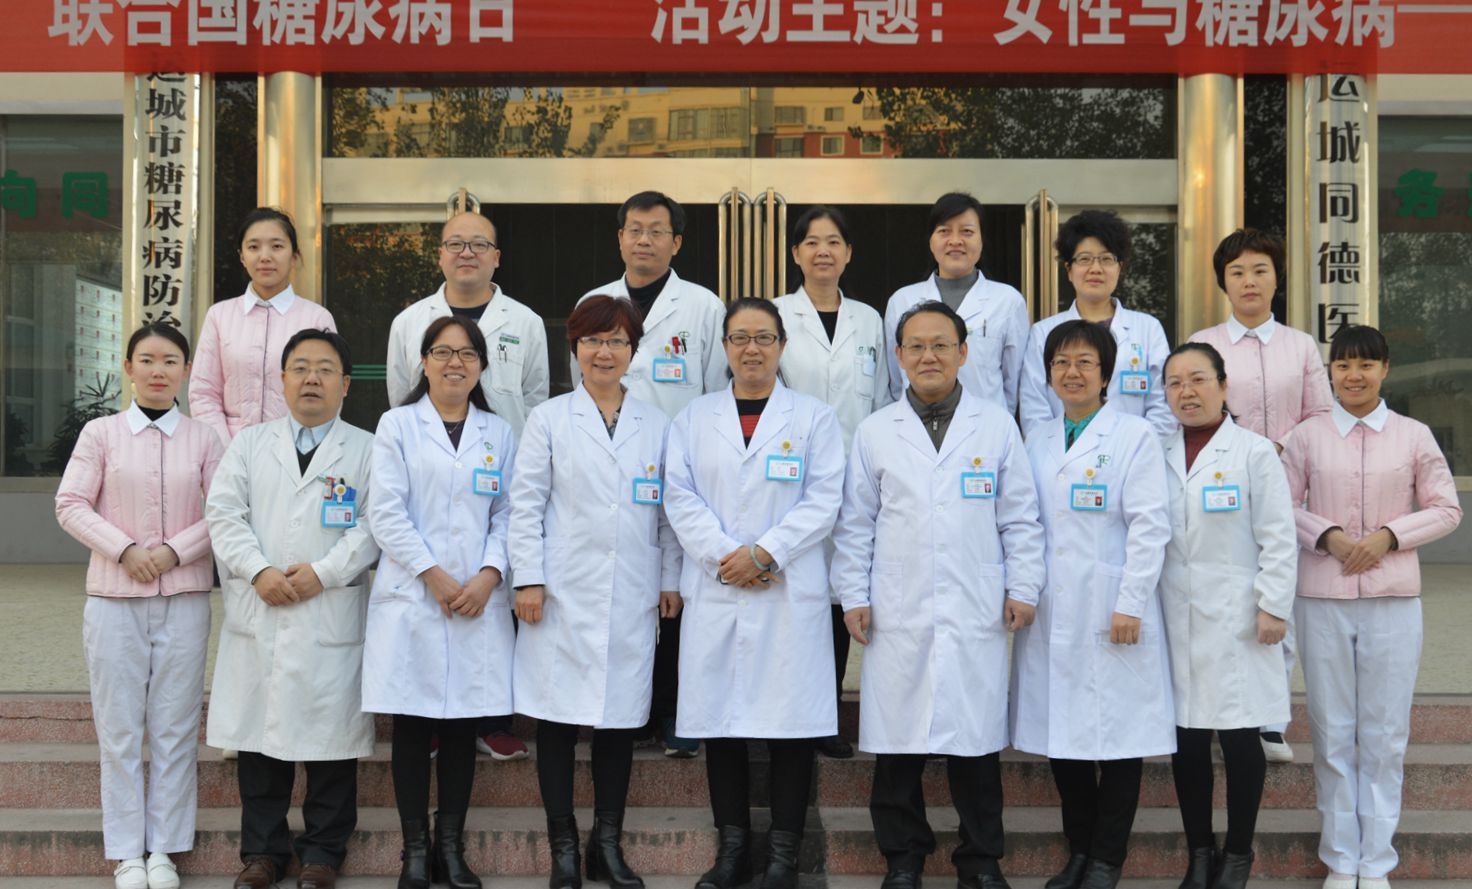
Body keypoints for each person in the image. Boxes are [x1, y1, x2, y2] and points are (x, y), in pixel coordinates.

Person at [831, 301, 1045, 889]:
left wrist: (1023, 586)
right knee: (898, 742)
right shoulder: (877, 431)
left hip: (975, 602)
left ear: (963, 353)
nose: (929, 356)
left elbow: (1020, 518)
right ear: (898, 356)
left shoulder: (996, 426)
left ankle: (980, 860)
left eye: (941, 345)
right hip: (897, 605)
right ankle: (903, 858)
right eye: (917, 347)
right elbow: (855, 524)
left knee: (975, 741)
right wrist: (854, 594)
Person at [664, 298, 846, 889]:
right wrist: (729, 557)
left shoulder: (814, 418)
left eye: (764, 338)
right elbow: (679, 497)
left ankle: (783, 857)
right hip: (718, 585)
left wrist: (765, 553)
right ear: (724, 346)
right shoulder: (694, 418)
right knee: (720, 726)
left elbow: (825, 498)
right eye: (740, 337)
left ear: (782, 346)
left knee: (792, 727)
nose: (752, 349)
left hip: (787, 590)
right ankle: (733, 852)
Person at [509, 295, 683, 889]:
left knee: (619, 722)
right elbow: (525, 506)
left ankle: (606, 844)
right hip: (560, 594)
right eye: (592, 341)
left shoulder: (657, 424)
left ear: (633, 349)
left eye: (616, 341)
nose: (604, 352)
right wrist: (529, 579)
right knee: (557, 720)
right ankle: (563, 847)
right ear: (575, 348)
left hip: (632, 591)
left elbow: (668, 515)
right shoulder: (549, 419)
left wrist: (670, 580)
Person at [1279, 325, 1462, 889]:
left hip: (1392, 599)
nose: (1353, 376)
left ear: (1384, 369)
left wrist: (1390, 536)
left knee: (1384, 733)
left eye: (1365, 365)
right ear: (1329, 373)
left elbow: (1446, 508)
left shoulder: (1413, 435)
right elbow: (1279, 503)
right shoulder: (1306, 436)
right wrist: (1326, 534)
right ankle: (1341, 858)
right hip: (1322, 597)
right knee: (1332, 730)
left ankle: (1376, 860)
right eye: (1343, 366)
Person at [205, 329, 380, 889]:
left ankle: (323, 854)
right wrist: (258, 570)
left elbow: (375, 525)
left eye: (325, 369)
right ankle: (263, 855)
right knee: (259, 742)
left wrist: (324, 572)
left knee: (331, 742)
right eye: (300, 368)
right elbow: (223, 514)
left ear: (345, 384)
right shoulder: (249, 444)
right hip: (262, 606)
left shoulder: (368, 449)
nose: (311, 379)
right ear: (281, 380)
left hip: (328, 609)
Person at [55, 323, 224, 889]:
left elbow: (226, 509)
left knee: (175, 726)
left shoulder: (204, 439)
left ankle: (166, 850)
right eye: (147, 359)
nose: (158, 370)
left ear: (186, 371)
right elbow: (71, 503)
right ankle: (128, 851)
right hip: (113, 598)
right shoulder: (100, 433)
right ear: (128, 367)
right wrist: (124, 549)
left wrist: (175, 552)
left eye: (170, 361)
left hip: (184, 597)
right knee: (120, 728)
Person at [1009, 319, 1174, 889]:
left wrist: (1131, 601)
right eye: (1061, 362)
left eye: (1084, 362)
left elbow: (1150, 526)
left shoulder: (1133, 435)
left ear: (1106, 374)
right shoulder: (1036, 439)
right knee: (1064, 734)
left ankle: (1106, 859)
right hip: (1052, 605)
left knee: (1120, 737)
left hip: (1112, 606)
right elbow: (1022, 523)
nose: (1071, 372)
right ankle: (1078, 851)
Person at [384, 209, 546, 760]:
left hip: (503, 469)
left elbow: (536, 399)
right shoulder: (410, 321)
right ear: (440, 255)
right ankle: (431, 721)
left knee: (493, 598)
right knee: (434, 610)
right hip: (431, 479)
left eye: (479, 244)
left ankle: (493, 720)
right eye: (455, 243)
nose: (467, 253)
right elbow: (399, 394)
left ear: (497, 256)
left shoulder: (525, 321)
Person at [363, 316, 519, 889]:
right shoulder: (397, 425)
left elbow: (509, 513)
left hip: (477, 599)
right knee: (412, 724)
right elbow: (386, 512)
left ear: (481, 366)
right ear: (423, 362)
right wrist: (433, 575)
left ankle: (451, 849)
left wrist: (488, 575)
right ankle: (414, 851)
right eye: (443, 352)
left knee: (460, 728)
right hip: (415, 596)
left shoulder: (498, 433)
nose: (455, 363)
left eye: (467, 354)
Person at [577, 190, 728, 759]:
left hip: (684, 467)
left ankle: (672, 708)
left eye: (657, 230)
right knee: (622, 591)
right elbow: (582, 388)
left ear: (676, 242)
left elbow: (715, 390)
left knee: (679, 593)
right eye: (634, 229)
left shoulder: (704, 307)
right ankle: (625, 709)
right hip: (612, 468)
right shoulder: (595, 302)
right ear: (620, 239)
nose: (644, 240)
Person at [1189, 228, 1334, 764]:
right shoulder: (1205, 343)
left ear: (1277, 278)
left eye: (1259, 270)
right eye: (1237, 272)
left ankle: (1271, 720)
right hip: (1219, 487)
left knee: (1278, 601)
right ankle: (1212, 708)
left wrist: (1278, 446)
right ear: (1223, 282)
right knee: (1219, 601)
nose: (1249, 281)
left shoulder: (1300, 345)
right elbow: (1193, 407)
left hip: (1288, 488)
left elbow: (1321, 413)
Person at [1157, 342, 1297, 889]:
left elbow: (1278, 537)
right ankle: (1199, 853)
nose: (1186, 392)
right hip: (1175, 615)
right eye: (1174, 383)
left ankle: (1238, 855)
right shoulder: (1157, 451)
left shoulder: (1254, 452)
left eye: (1197, 379)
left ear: (1222, 385)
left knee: (1240, 737)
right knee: (1188, 741)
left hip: (1240, 617)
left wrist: (1272, 606)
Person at [772, 205, 891, 761]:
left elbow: (884, 398)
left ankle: (826, 716)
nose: (823, 251)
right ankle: (784, 708)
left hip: (854, 477)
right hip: (787, 479)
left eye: (834, 242)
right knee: (793, 596)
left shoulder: (870, 320)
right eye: (812, 242)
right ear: (796, 253)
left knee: (843, 591)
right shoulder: (775, 315)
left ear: (848, 253)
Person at [1018, 210, 1173, 440]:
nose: (1096, 269)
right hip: (1062, 455)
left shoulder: (1148, 329)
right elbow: (1034, 407)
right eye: (1085, 259)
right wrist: (1056, 452)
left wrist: (1139, 450)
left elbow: (1163, 404)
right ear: (1068, 269)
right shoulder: (1043, 332)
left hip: (1133, 453)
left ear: (1120, 267)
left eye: (1106, 259)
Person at [191, 207, 337, 446]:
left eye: (277, 246)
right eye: (253, 247)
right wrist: (227, 451)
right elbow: (203, 393)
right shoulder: (220, 316)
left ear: (294, 256)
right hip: (230, 451)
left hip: (295, 452)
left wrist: (301, 451)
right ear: (241, 257)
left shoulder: (317, 318)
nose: (265, 256)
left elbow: (329, 395)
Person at [883, 192, 1029, 415]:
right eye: (944, 231)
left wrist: (996, 421)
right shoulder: (902, 301)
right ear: (931, 241)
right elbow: (896, 381)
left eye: (967, 231)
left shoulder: (1008, 301)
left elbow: (1013, 383)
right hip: (916, 425)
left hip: (985, 427)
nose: (955, 241)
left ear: (981, 240)